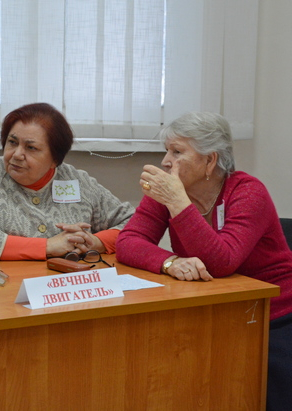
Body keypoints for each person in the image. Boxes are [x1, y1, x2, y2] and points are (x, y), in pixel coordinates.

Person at [114, 111, 292, 410]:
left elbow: (222, 262)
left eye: (177, 152)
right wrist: (170, 262)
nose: (166, 162)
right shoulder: (168, 191)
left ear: (210, 160)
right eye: (166, 151)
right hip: (214, 309)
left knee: (257, 378)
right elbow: (128, 242)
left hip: (273, 314)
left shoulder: (249, 192)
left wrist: (177, 201)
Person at [0, 102, 135, 261]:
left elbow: (134, 224)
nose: (17, 154)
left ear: (55, 160)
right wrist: (47, 246)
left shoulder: (78, 180)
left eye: (31, 147)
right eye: (12, 142)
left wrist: (96, 242)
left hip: (67, 282)